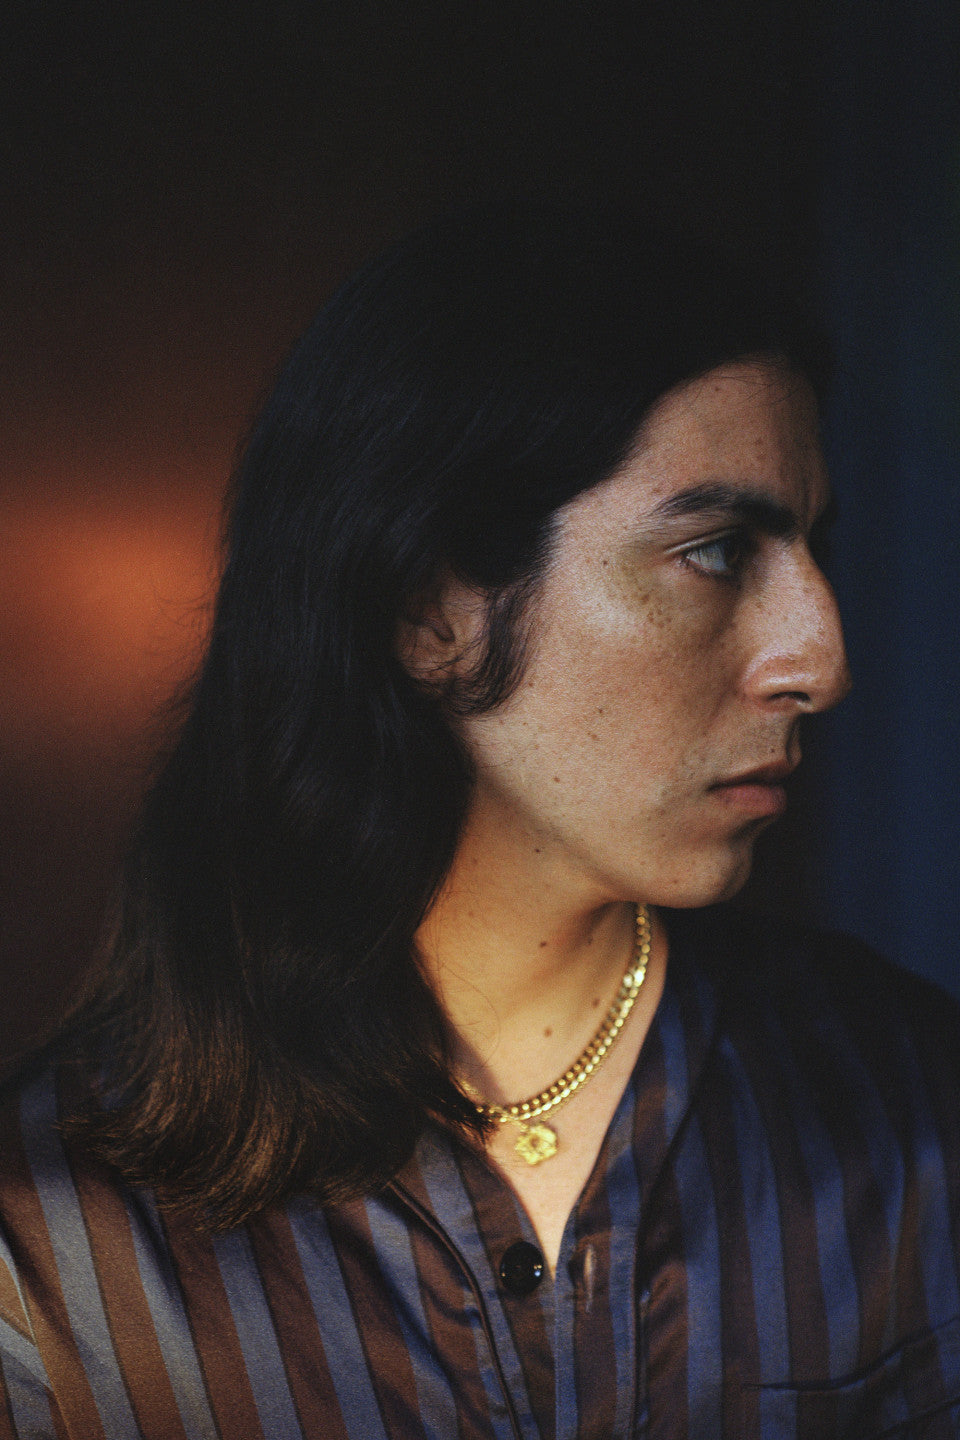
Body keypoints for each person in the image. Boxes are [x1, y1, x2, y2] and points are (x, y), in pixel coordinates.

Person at [0, 203, 958, 1440]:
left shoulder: (910, 1103)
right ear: (431, 609)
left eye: (812, 551)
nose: (818, 661)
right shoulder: (53, 1255)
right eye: (718, 552)